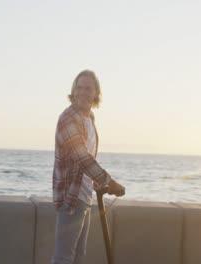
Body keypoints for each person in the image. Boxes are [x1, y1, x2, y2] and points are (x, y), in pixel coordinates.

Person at [51, 70, 125, 264]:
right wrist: (109, 181)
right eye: (79, 87)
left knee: (78, 257)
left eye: (88, 88)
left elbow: (87, 157)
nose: (83, 92)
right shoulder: (68, 119)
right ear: (73, 91)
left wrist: (95, 182)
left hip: (85, 196)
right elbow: (82, 157)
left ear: (95, 93)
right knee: (64, 258)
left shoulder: (89, 119)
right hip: (71, 198)